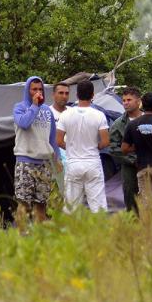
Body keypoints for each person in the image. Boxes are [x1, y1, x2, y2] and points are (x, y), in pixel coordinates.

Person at [56, 81, 109, 212]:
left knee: (71, 207)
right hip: (93, 163)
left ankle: (71, 232)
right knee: (98, 207)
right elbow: (105, 141)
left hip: (73, 163)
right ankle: (100, 232)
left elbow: (59, 141)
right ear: (93, 95)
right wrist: (96, 147)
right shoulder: (99, 115)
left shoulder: (65, 114)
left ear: (77, 94)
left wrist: (71, 148)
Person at [12, 77, 58, 227]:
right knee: (24, 204)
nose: (38, 92)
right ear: (28, 90)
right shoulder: (19, 107)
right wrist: (34, 105)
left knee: (41, 204)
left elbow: (52, 139)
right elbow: (24, 123)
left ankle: (40, 239)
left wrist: (57, 160)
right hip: (25, 161)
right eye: (34, 89)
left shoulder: (48, 111)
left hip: (44, 164)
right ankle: (20, 239)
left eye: (40, 89)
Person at [109, 87, 143, 211]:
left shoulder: (149, 119)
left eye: (129, 100)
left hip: (150, 166)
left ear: (138, 101)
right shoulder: (118, 124)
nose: (126, 103)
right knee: (130, 199)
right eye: (123, 100)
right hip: (129, 168)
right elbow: (113, 148)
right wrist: (133, 160)